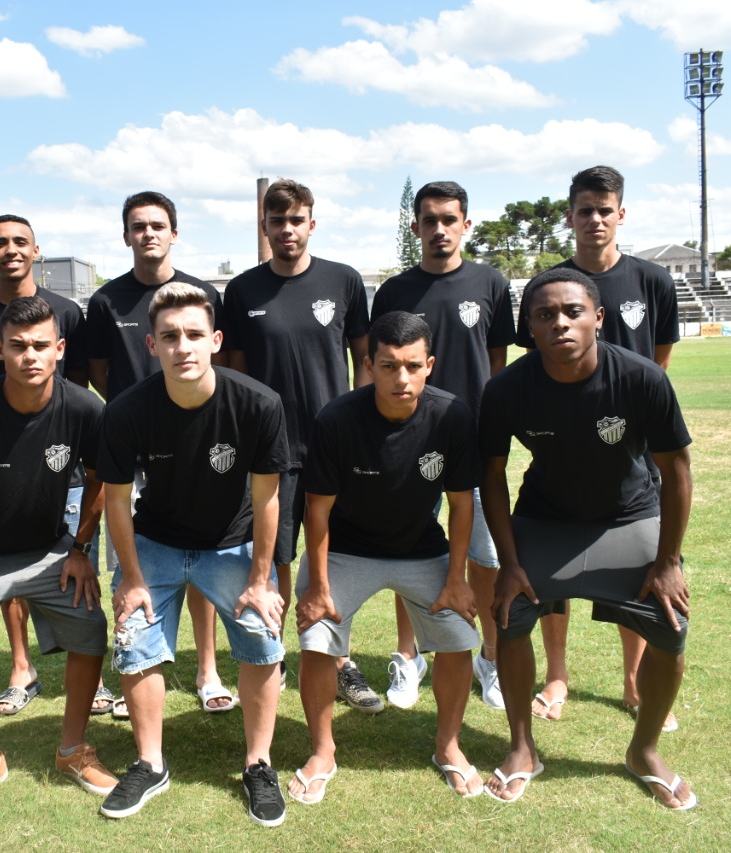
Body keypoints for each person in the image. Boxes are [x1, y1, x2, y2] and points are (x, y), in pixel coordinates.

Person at [481, 267, 695, 810]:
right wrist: (508, 562)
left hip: (628, 518)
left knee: (671, 623)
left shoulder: (643, 378)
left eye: (572, 311)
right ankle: (523, 747)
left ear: (598, 318)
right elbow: (490, 476)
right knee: (508, 615)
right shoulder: (507, 388)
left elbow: (678, 471)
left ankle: (643, 750)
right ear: (528, 328)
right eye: (545, 315)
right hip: (547, 520)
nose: (560, 323)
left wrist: (668, 561)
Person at [97, 283, 289, 826]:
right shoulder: (128, 410)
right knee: (135, 637)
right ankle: (150, 762)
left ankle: (258, 764)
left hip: (232, 544)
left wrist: (260, 580)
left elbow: (268, 496)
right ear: (151, 346)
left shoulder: (258, 403)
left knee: (261, 638)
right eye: (170, 336)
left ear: (216, 340)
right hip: (155, 542)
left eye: (194, 335)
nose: (183, 346)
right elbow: (115, 499)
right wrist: (130, 578)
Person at [0, 295, 117, 816]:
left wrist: (79, 548)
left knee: (90, 629)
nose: (29, 356)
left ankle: (72, 748)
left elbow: (99, 483)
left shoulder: (83, 408)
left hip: (48, 551)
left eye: (39, 346)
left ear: (59, 349)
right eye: (17, 346)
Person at [291, 311, 483, 804]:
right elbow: (318, 509)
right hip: (347, 549)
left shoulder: (453, 415)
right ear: (370, 365)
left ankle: (448, 747)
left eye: (413, 366)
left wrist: (457, 578)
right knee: (317, 637)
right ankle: (322, 751)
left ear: (430, 365)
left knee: (459, 637)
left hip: (422, 548)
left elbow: (462, 504)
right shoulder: (337, 419)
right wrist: (316, 584)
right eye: (389, 365)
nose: (401, 378)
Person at [515, 166, 682, 728]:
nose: (594, 220)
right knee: (554, 566)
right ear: (570, 217)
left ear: (621, 215)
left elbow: (658, 360)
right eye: (584, 210)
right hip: (564, 446)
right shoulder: (550, 284)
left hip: (629, 446)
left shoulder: (653, 281)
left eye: (604, 210)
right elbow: (534, 363)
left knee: (634, 574)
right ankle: (556, 674)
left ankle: (633, 680)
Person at [219, 178, 372, 710]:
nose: (287, 229)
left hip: (333, 448)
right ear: (264, 226)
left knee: (337, 557)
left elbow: (365, 363)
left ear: (312, 222)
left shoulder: (345, 281)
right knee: (278, 555)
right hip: (269, 451)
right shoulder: (241, 291)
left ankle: (340, 656)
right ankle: (278, 653)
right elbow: (232, 374)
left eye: (296, 219)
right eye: (276, 221)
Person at [85, 191, 233, 715]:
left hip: (196, 446)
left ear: (175, 232)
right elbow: (99, 371)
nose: (148, 233)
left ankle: (207, 668)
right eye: (138, 226)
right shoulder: (105, 301)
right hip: (135, 447)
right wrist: (136, 415)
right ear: (126, 235)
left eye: (158, 225)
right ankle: (136, 663)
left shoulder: (199, 294)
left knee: (202, 557)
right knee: (130, 562)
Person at [0, 214, 107, 717]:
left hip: (64, 465)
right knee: (9, 565)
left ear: (36, 250)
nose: (10, 250)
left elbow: (75, 385)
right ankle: (21, 666)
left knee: (73, 572)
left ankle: (91, 675)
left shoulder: (67, 312)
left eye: (20, 241)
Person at [371, 180, 514, 711]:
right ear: (415, 228)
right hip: (406, 446)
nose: (439, 229)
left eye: (449, 219)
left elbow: (496, 366)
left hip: (470, 446)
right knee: (409, 550)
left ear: (465, 224)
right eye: (429, 220)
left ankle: (490, 660)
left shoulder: (491, 283)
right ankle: (408, 659)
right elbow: (379, 370)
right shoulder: (393, 292)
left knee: (486, 556)